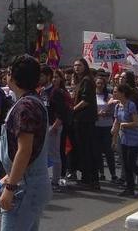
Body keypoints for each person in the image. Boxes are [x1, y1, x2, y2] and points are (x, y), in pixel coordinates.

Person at [0, 55, 49, 231]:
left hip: (25, 186)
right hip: (29, 182)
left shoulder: (25, 107)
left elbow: (25, 150)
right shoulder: (32, 102)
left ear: (12, 77)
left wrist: (11, 187)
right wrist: (10, 174)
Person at [112, 84, 138, 198]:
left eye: (116, 92)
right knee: (126, 164)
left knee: (131, 164)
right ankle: (130, 188)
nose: (114, 94)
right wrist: (114, 138)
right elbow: (116, 122)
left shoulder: (131, 105)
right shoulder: (117, 106)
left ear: (123, 93)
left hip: (134, 139)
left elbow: (137, 123)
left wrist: (125, 124)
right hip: (124, 139)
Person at [70, 58, 99, 190]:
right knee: (83, 149)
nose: (76, 67)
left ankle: (88, 179)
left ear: (85, 66)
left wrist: (73, 109)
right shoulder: (80, 81)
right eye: (75, 65)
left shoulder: (87, 80)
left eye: (79, 65)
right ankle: (89, 178)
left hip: (84, 120)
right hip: (80, 119)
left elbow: (86, 100)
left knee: (85, 149)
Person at [38, 66, 68, 190]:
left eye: (42, 76)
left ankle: (55, 181)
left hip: (53, 127)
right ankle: (46, 178)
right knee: (43, 154)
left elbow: (62, 112)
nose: (39, 78)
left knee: (54, 154)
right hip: (44, 126)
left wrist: (55, 126)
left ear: (48, 76)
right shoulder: (41, 91)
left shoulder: (56, 92)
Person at [94, 76, 117, 183]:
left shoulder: (109, 97)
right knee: (97, 150)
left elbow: (114, 112)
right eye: (98, 83)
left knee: (109, 151)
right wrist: (98, 114)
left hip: (107, 126)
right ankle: (101, 173)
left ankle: (113, 174)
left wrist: (106, 113)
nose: (100, 85)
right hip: (96, 126)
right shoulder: (92, 96)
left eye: (102, 83)